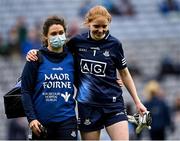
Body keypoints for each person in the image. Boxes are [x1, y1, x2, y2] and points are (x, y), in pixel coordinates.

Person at [26, 5, 147, 140]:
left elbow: (124, 73)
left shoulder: (115, 45)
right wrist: (37, 51)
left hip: (113, 104)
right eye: (96, 26)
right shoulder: (77, 42)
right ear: (88, 23)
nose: (100, 30)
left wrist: (137, 102)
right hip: (88, 107)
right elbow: (56, 50)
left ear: (109, 24)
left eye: (104, 26)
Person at [21, 16, 77, 140]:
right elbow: (25, 91)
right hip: (41, 123)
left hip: (67, 121)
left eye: (61, 33)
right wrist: (32, 119)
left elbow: (85, 81)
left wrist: (111, 81)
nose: (58, 36)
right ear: (46, 37)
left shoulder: (72, 58)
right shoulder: (35, 58)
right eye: (54, 33)